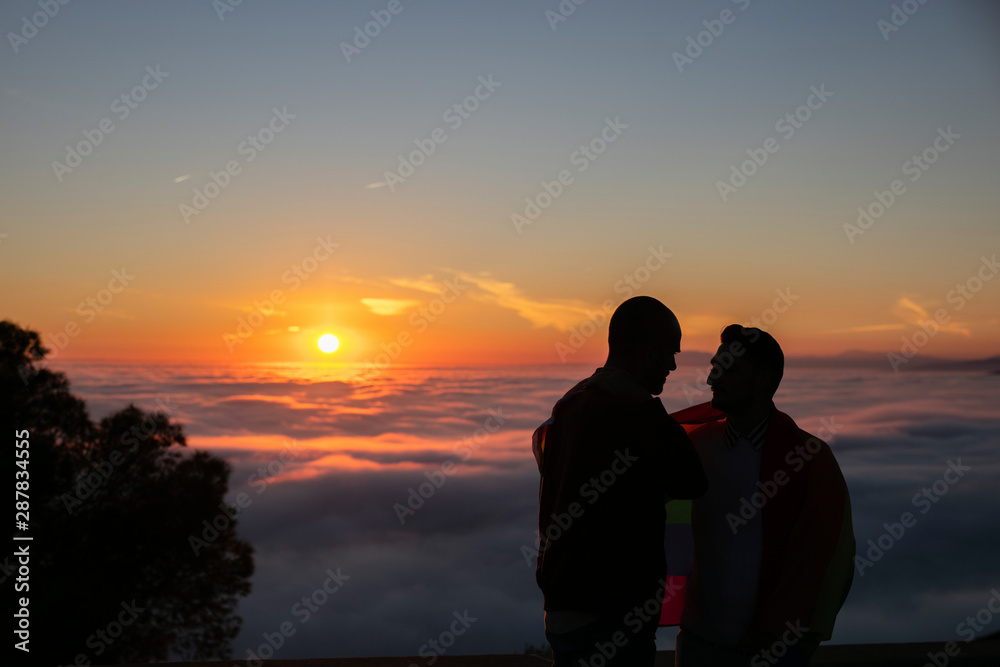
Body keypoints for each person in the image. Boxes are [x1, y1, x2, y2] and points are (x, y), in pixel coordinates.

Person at [532, 296, 708, 666]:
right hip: (609, 615)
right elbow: (691, 480)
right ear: (648, 353)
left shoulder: (570, 404)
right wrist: (647, 405)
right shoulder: (632, 413)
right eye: (670, 354)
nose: (674, 366)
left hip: (563, 607)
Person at [676, 325, 855, 667]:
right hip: (700, 641)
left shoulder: (809, 460)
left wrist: (784, 633)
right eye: (714, 366)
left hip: (774, 648)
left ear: (762, 381)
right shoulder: (694, 447)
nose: (712, 378)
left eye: (728, 369)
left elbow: (830, 557)